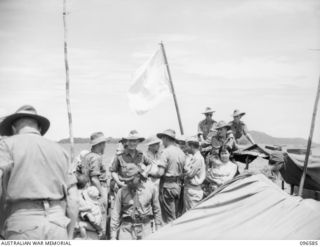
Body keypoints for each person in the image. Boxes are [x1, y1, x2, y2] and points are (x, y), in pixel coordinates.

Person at [0, 105, 78, 240]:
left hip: (21, 225)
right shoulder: (61, 151)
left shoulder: (6, 145)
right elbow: (74, 199)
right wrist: (69, 235)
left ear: (13, 127)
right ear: (39, 128)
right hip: (58, 225)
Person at [110, 163, 162, 240]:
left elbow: (157, 209)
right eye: (126, 180)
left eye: (130, 180)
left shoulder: (151, 188)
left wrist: (158, 228)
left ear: (138, 176)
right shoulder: (121, 192)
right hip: (127, 228)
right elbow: (116, 213)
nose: (127, 183)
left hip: (145, 228)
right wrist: (113, 236)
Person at [81, 132, 108, 238]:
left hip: (87, 191)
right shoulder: (96, 157)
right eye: (104, 144)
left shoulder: (87, 156)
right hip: (96, 192)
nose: (105, 146)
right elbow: (94, 178)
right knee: (101, 223)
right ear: (100, 144)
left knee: (93, 221)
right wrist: (103, 196)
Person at [155, 129, 186, 224]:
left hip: (167, 186)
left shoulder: (166, 152)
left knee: (169, 219)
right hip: (178, 186)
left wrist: (150, 173)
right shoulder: (181, 152)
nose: (162, 141)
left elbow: (160, 173)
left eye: (162, 139)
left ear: (166, 138)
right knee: (177, 215)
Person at [183, 137, 206, 212]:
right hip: (191, 189)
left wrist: (185, 171)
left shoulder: (198, 158)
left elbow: (190, 174)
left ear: (192, 146)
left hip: (194, 189)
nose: (186, 148)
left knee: (193, 213)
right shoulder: (194, 157)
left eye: (187, 146)